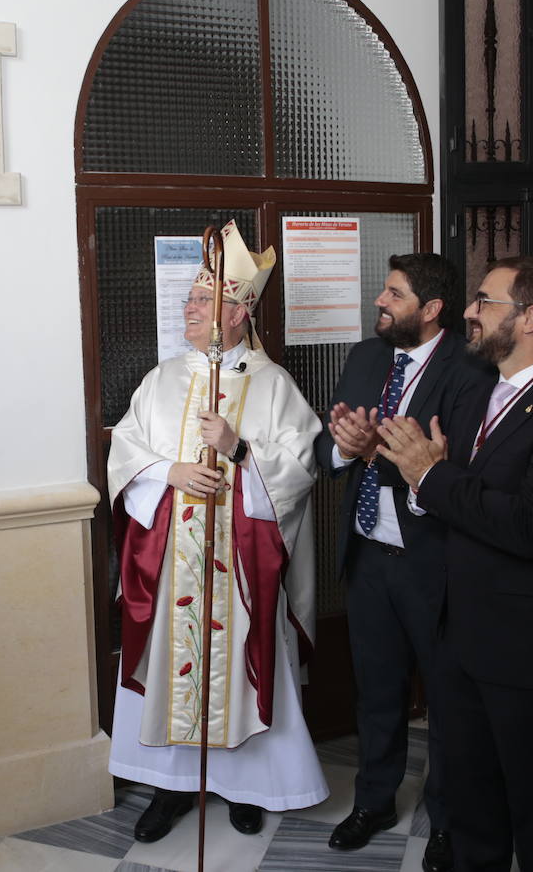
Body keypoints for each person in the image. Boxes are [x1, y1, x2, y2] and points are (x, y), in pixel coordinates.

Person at [376, 256, 533, 872]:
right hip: (462, 631)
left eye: (484, 301)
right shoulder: (482, 392)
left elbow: (530, 526)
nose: (468, 312)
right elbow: (451, 497)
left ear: (532, 317)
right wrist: (423, 480)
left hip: (531, 645)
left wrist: (429, 476)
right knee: (469, 795)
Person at [107, 220, 327, 844]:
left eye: (203, 299)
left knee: (241, 668)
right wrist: (168, 470)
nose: (189, 306)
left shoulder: (272, 383)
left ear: (237, 313)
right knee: (175, 666)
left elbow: (301, 467)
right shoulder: (164, 378)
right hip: (173, 560)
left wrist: (238, 450)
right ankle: (173, 786)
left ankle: (247, 786)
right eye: (191, 297)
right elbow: (125, 449)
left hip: (239, 570)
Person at [314, 253, 491, 868]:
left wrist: (380, 453)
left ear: (432, 309)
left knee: (446, 699)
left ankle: (448, 819)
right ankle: (374, 800)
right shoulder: (366, 357)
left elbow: (465, 466)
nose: (379, 303)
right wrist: (344, 449)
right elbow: (324, 444)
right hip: (368, 555)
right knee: (377, 691)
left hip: (433, 559)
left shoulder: (471, 368)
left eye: (392, 294)